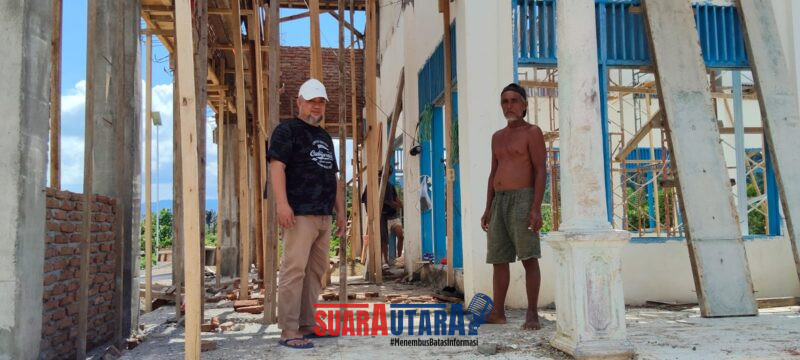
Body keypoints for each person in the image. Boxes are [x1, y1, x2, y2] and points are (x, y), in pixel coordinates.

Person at [268, 78, 347, 348]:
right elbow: (276, 166)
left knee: (315, 272)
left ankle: (306, 324)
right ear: (299, 102)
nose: (316, 106)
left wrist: (340, 212)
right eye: (312, 101)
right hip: (299, 213)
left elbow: (333, 177)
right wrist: (282, 204)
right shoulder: (286, 130)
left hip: (323, 214)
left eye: (321, 102)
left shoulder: (324, 137)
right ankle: (289, 330)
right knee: (294, 270)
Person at [481, 83, 546, 330]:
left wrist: (536, 207)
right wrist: (488, 207)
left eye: (514, 101)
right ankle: (498, 312)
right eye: (505, 102)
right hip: (499, 201)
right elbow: (493, 172)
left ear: (524, 105)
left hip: (523, 199)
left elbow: (540, 170)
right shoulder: (497, 137)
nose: (509, 106)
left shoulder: (532, 132)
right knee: (499, 258)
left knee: (529, 257)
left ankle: (532, 313)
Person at [361, 168, 404, 268]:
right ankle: (383, 262)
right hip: (380, 216)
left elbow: (396, 201)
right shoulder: (370, 186)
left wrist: (398, 204)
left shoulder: (390, 186)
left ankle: (397, 260)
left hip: (390, 215)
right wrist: (370, 214)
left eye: (388, 176)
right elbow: (365, 201)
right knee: (382, 239)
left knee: (398, 236)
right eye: (383, 176)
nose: (385, 178)